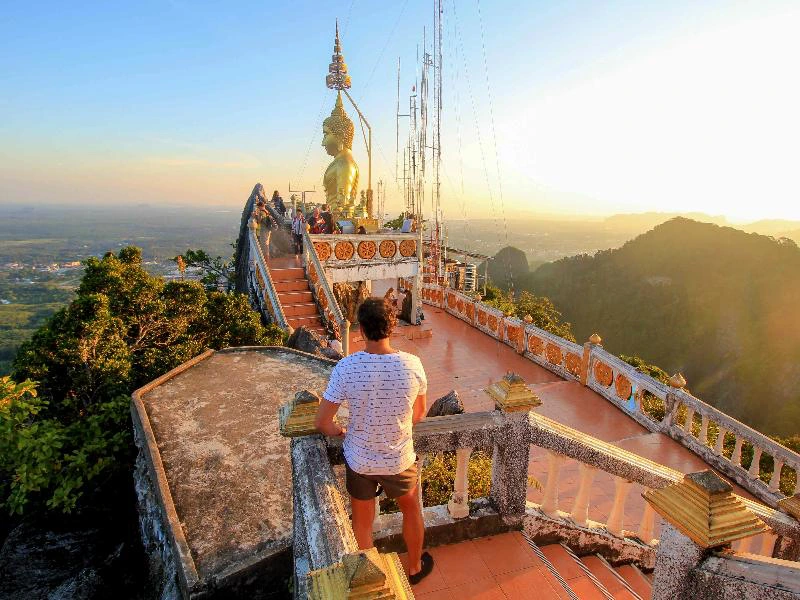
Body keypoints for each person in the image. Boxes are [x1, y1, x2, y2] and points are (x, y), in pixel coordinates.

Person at [315, 298, 433, 585]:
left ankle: (369, 578)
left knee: (363, 522)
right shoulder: (412, 364)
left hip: (360, 458)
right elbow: (418, 415)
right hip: (398, 458)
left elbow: (323, 422)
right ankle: (415, 566)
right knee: (411, 510)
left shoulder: (346, 367)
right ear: (391, 327)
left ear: (362, 330)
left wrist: (339, 431)